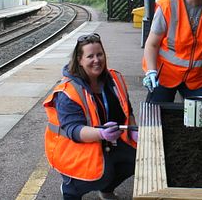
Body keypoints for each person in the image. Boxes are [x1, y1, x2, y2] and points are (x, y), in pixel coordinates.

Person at [43, 33, 137, 200]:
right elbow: (74, 130)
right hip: (73, 147)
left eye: (99, 54)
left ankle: (106, 189)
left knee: (138, 158)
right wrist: (101, 134)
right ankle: (70, 189)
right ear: (79, 60)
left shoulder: (115, 79)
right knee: (103, 172)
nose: (97, 60)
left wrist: (132, 130)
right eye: (90, 56)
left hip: (107, 141)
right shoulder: (68, 92)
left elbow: (127, 110)